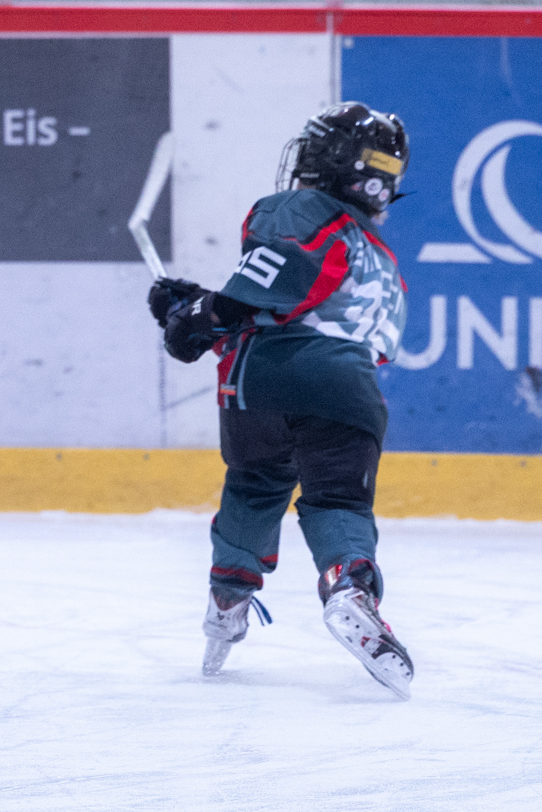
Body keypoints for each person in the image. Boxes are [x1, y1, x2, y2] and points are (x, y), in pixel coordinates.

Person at [148, 102, 415, 699]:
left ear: (328, 159)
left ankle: (227, 601)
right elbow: (316, 312)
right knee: (338, 500)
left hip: (263, 380)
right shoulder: (384, 260)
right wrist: (200, 305)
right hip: (350, 389)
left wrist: (193, 316)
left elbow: (261, 295)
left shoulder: (299, 208)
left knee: (255, 483)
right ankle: (348, 588)